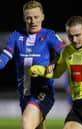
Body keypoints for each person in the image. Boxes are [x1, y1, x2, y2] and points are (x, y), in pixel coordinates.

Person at [0, 1, 65, 129]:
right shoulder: (16, 36)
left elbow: (66, 53)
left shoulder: (49, 35)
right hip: (24, 92)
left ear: (42, 17)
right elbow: (5, 57)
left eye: (36, 17)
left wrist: (54, 61)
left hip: (43, 91)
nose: (32, 21)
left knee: (26, 123)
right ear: (24, 18)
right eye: (29, 18)